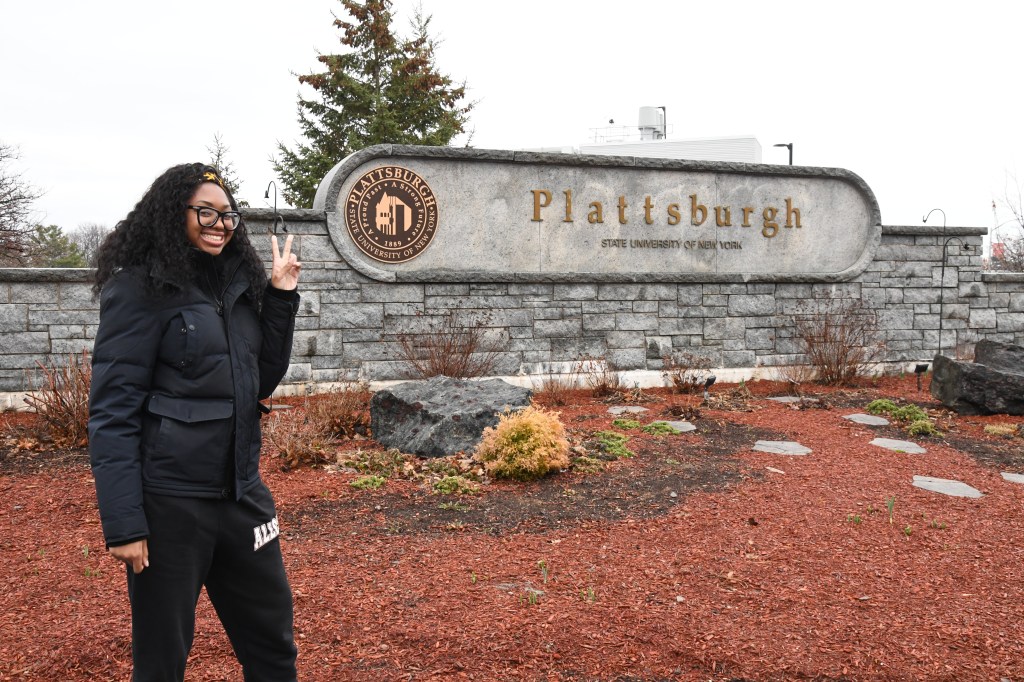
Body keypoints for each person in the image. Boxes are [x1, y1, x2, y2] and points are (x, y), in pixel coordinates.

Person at [88, 163, 301, 681]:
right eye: (205, 211)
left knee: (273, 648)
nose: (219, 223)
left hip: (242, 495)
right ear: (171, 213)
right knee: (162, 662)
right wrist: (124, 523)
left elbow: (261, 379)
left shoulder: (237, 285)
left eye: (227, 214)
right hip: (171, 507)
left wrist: (279, 297)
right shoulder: (141, 290)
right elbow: (111, 413)